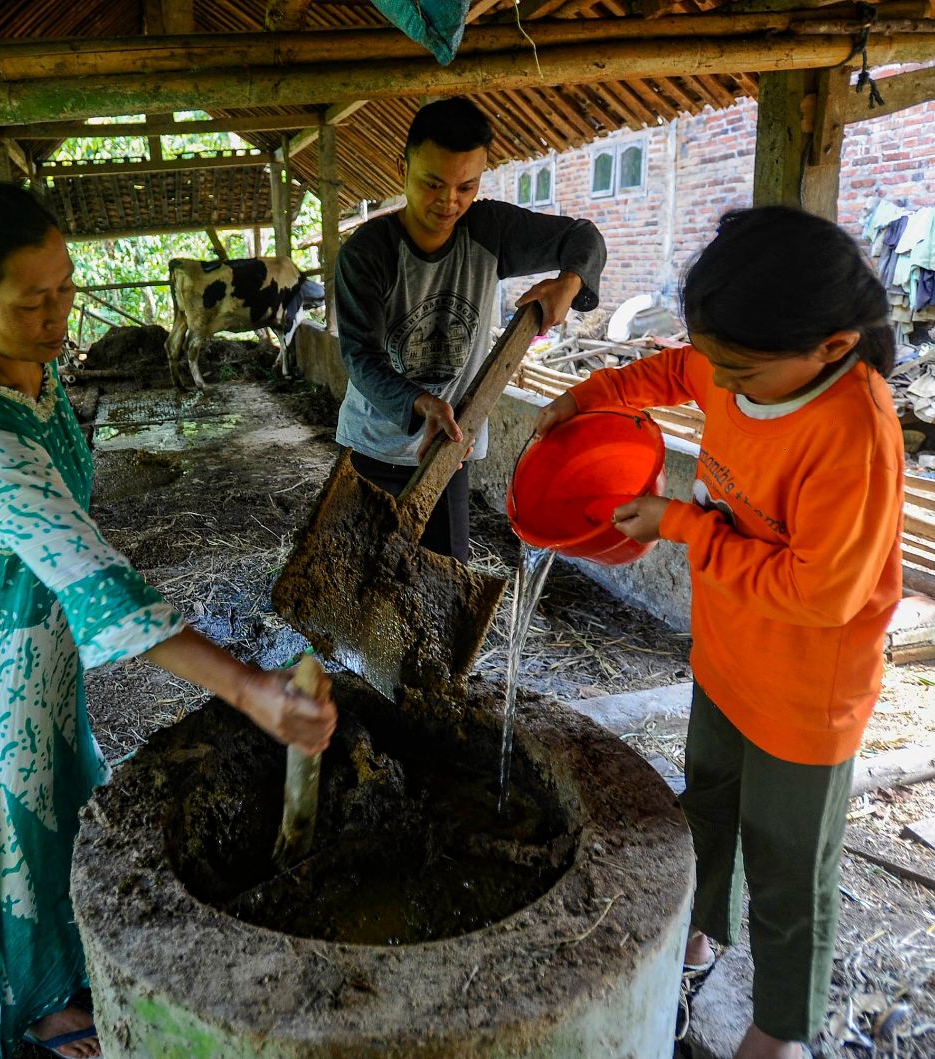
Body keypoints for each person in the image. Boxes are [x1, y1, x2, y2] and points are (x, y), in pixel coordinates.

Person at [0, 183, 337, 1059]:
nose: (59, 312)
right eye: (32, 300)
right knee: (10, 833)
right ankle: (36, 1012)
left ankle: (65, 970)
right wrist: (249, 688)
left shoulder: (31, 368)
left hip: (37, 626)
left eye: (64, 286)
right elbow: (98, 579)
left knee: (61, 798)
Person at [533, 206, 904, 1059]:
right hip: (727, 652)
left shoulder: (852, 433)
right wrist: (586, 399)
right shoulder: (738, 368)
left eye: (738, 370)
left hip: (804, 693)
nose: (720, 385)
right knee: (704, 800)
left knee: (787, 864)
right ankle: (698, 929)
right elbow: (672, 372)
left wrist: (683, 525)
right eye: (718, 362)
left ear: (834, 346)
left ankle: (779, 1027)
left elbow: (821, 593)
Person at [334, 96, 606, 561]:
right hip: (375, 449)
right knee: (362, 581)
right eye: (433, 184)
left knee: (444, 576)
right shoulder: (368, 253)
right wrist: (422, 403)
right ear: (403, 168)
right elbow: (361, 357)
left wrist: (569, 282)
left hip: (449, 450)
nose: (450, 202)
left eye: (467, 186)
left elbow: (583, 237)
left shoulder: (489, 229)